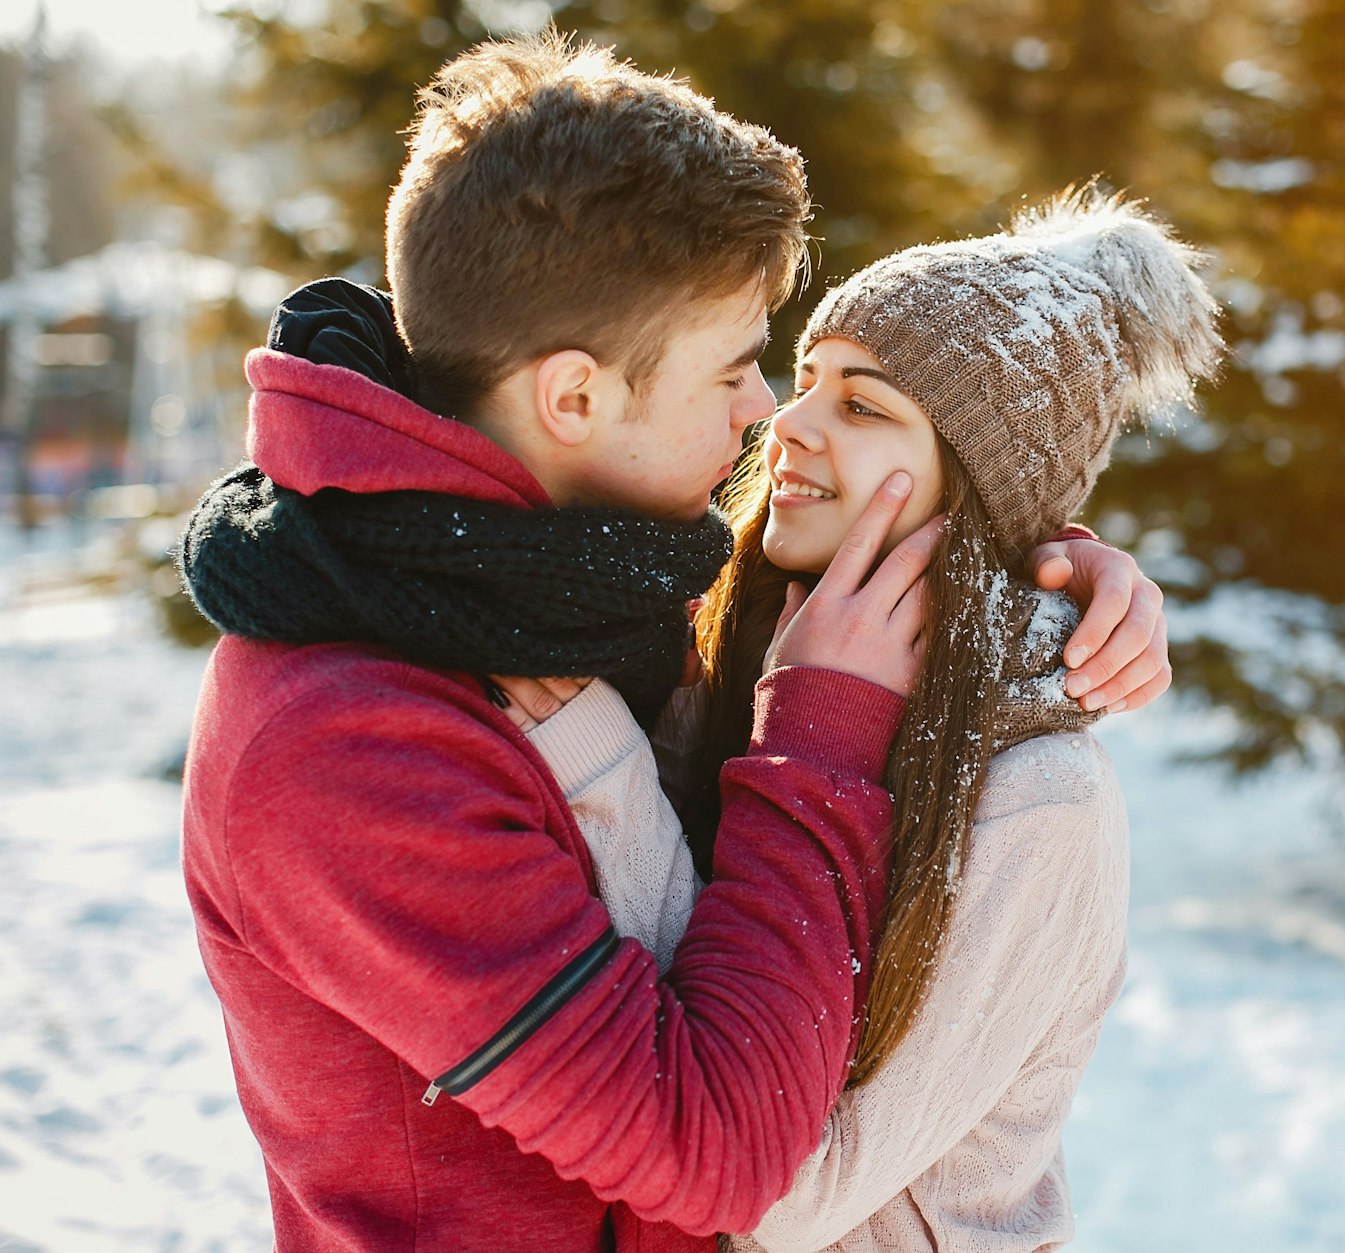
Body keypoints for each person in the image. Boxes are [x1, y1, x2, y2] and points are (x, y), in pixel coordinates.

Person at [174, 36, 1171, 1253]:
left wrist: (1039, 567)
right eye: (749, 368)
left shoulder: (569, 586)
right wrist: (820, 737)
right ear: (576, 399)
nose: (767, 416)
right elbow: (727, 1157)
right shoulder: (349, 734)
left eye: (828, 391)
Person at [508, 190, 1222, 1250]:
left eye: (862, 403)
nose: (785, 422)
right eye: (805, 383)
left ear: (970, 489)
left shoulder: (1040, 798)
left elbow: (787, 1187)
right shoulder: (732, 655)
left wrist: (603, 761)